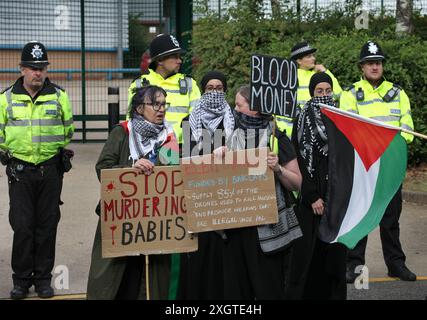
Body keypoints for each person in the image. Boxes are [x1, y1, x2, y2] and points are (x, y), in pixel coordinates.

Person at [86, 85, 180, 300]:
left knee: (152, 279)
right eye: (155, 104)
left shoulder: (169, 136)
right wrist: (130, 170)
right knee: (114, 276)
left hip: (156, 219)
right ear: (139, 108)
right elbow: (103, 167)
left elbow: (174, 173)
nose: (161, 109)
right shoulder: (122, 132)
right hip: (122, 217)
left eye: (164, 104)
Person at [0, 41, 74, 299]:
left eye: (41, 67)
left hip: (50, 171)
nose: (37, 72)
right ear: (21, 69)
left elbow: (68, 131)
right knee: (22, 226)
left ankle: (43, 279)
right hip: (19, 172)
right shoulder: (6, 98)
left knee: (46, 226)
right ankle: (21, 281)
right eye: (32, 67)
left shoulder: (59, 96)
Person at [340, 40, 416, 283]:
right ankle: (354, 265)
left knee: (390, 219)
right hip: (365, 166)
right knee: (361, 215)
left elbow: (407, 128)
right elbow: (348, 129)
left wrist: (393, 147)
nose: (375, 67)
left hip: (390, 167)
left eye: (378, 63)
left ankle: (396, 264)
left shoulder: (398, 93)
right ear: (361, 67)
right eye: (370, 63)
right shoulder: (350, 94)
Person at [221, 85, 302, 299]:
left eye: (239, 105)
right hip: (237, 229)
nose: (235, 110)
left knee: (269, 288)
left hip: (268, 231)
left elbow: (296, 183)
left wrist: (278, 169)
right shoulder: (230, 137)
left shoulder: (278, 138)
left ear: (255, 108)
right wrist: (217, 158)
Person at [288, 72, 347, 300]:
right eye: (319, 91)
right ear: (312, 93)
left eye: (327, 91)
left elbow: (345, 160)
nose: (324, 95)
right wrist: (312, 196)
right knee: (306, 256)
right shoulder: (302, 118)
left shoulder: (340, 119)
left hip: (335, 199)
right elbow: (299, 158)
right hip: (310, 200)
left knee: (334, 255)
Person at [178, 70, 233, 299]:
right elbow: (186, 156)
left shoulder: (233, 119)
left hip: (226, 194)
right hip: (200, 194)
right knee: (200, 251)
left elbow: (243, 154)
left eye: (219, 88)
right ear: (202, 90)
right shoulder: (189, 121)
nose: (214, 92)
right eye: (209, 88)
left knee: (223, 254)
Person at [127, 33, 201, 146]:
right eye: (175, 56)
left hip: (181, 147)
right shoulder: (139, 84)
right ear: (160, 60)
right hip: (147, 147)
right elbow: (132, 120)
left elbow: (197, 118)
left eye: (179, 56)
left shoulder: (189, 84)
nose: (180, 61)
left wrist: (170, 135)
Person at [276, 41, 342, 138]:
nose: (313, 59)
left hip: (318, 130)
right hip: (293, 133)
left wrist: (326, 72)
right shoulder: (289, 77)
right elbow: (279, 108)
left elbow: (338, 94)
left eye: (313, 56)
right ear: (299, 61)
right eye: (309, 56)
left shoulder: (318, 75)